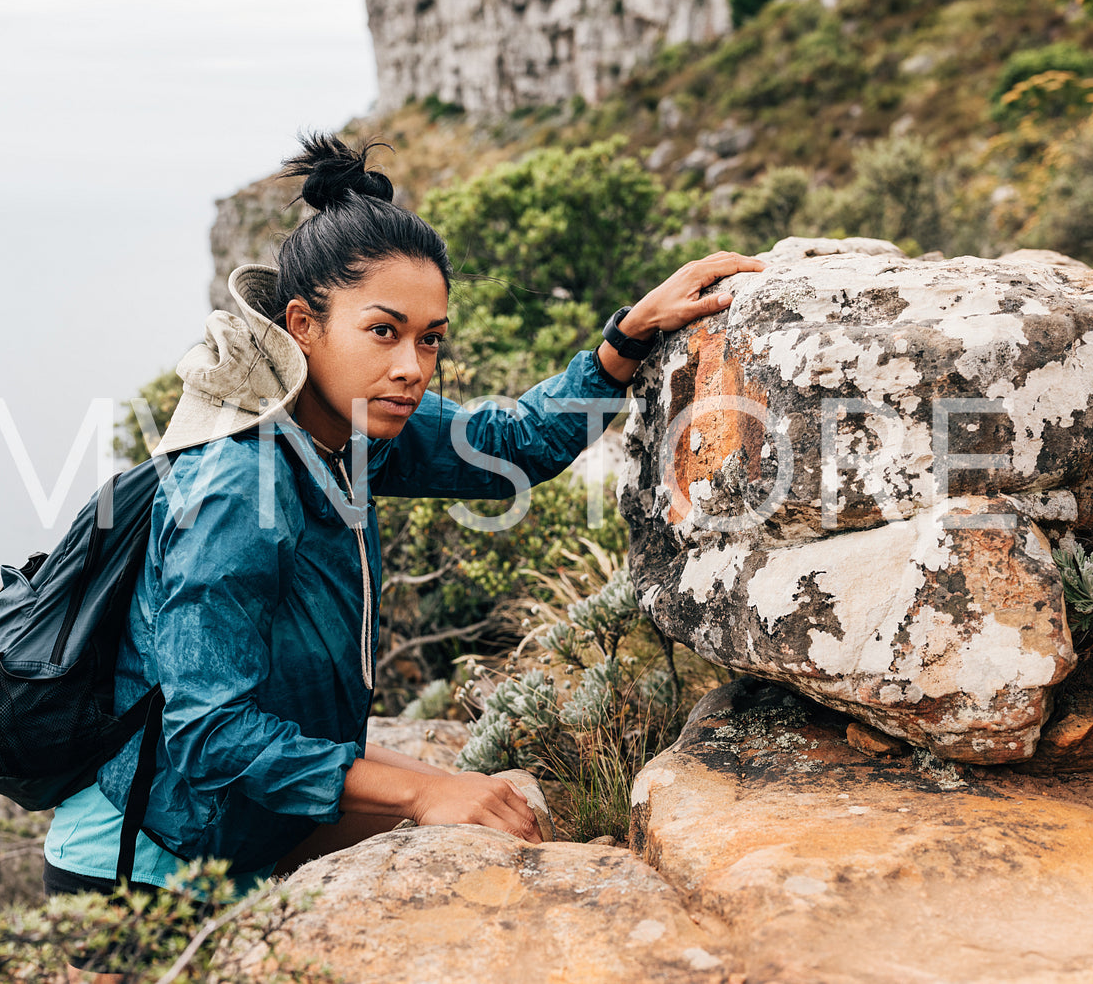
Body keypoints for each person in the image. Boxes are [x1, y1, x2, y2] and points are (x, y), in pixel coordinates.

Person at [39, 133, 764, 979]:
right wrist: (422, 786)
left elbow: (511, 444)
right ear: (302, 327)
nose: (410, 367)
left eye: (429, 340)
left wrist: (627, 338)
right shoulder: (236, 487)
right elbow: (210, 737)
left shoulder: (350, 433)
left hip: (248, 828)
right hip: (147, 868)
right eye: (383, 332)